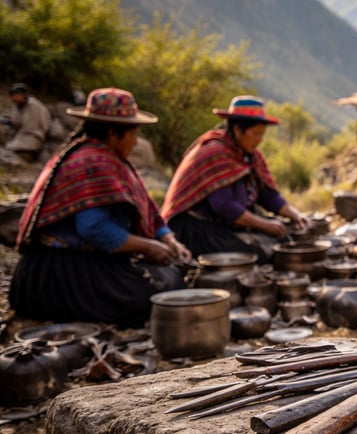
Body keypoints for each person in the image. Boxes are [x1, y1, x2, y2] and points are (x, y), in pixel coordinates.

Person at [10, 87, 190, 327]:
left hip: (70, 264)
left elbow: (146, 208)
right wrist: (148, 246)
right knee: (162, 288)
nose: (136, 141)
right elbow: (93, 228)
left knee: (170, 277)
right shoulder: (94, 163)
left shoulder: (107, 158)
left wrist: (168, 239)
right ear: (114, 133)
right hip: (59, 273)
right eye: (133, 134)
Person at [161, 96, 308, 263]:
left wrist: (294, 214)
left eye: (262, 134)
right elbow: (224, 206)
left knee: (283, 240)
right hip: (194, 227)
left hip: (223, 223)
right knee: (256, 255)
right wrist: (264, 224)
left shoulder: (251, 156)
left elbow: (268, 195)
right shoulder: (215, 152)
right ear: (238, 129)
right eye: (255, 133)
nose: (259, 139)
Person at [2, 83, 52, 161]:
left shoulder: (34, 107)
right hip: (21, 134)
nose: (13, 98)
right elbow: (14, 119)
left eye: (15, 95)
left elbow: (30, 126)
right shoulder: (18, 106)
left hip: (32, 136)